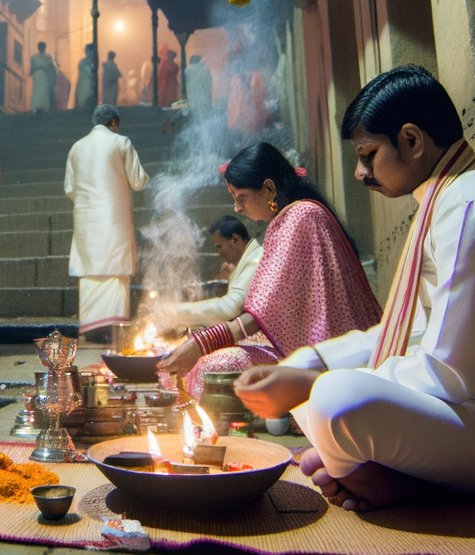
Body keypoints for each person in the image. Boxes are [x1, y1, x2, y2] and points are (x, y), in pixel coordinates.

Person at [235, 66, 475, 511]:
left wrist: (315, 380)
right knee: (310, 381)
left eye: (368, 155)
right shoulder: (444, 200)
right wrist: (311, 361)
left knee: (333, 399)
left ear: (412, 141)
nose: (360, 173)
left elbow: (448, 372)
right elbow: (407, 334)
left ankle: (403, 479)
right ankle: (395, 474)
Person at [159, 143, 381, 401]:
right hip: (305, 348)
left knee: (214, 365)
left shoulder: (301, 217)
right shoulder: (292, 217)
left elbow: (264, 311)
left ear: (269, 189)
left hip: (332, 357)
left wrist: (201, 343)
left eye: (240, 197)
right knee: (215, 361)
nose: (237, 208)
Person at [65, 104, 149, 339]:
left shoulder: (76, 147)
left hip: (86, 220)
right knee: (114, 268)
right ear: (113, 122)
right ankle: (112, 329)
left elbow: (69, 188)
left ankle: (93, 329)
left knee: (91, 270)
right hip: (113, 217)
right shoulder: (121, 143)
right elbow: (138, 181)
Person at [151, 216, 263, 334]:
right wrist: (231, 276)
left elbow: (230, 308)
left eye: (220, 246)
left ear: (235, 240)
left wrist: (175, 311)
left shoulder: (255, 261)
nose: (219, 253)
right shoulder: (251, 257)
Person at [29, 41, 56, 113]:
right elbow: (32, 69)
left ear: (45, 48)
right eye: (40, 47)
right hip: (37, 76)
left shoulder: (48, 57)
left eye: (42, 47)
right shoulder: (34, 57)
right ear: (38, 48)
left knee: (44, 91)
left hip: (45, 76)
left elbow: (52, 68)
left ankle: (43, 107)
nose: (41, 48)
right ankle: (36, 107)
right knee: (37, 91)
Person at [75, 42, 96, 113]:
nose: (85, 52)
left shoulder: (90, 62)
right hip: (84, 85)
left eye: (86, 50)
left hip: (87, 86)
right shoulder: (84, 62)